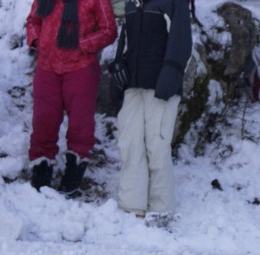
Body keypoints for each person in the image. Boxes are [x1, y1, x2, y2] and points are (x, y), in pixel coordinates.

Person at [25, 0, 117, 194]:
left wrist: (82, 44)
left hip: (80, 67)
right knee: (43, 119)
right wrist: (37, 40)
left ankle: (73, 173)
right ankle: (42, 169)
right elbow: (33, 20)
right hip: (47, 66)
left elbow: (108, 30)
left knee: (80, 123)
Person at [115, 0, 192, 221]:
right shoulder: (133, 4)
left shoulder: (172, 3)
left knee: (156, 145)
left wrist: (171, 74)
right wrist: (119, 64)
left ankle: (161, 209)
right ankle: (132, 205)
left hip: (161, 84)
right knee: (129, 142)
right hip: (134, 84)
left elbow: (181, 40)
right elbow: (127, 41)